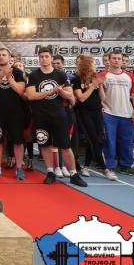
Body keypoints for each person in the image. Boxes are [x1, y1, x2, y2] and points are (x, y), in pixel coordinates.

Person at [25, 48, 87, 187]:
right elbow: (30, 95)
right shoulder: (34, 75)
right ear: (39, 58)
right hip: (40, 115)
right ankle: (50, 173)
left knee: (65, 145)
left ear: (51, 58)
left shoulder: (60, 75)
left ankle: (73, 174)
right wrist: (51, 91)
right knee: (45, 144)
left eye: (46, 56)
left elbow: (70, 95)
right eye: (41, 56)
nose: (44, 59)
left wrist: (62, 92)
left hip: (59, 115)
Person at [98, 51, 134, 180]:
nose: (116, 60)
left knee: (127, 142)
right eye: (114, 58)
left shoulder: (130, 76)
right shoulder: (102, 75)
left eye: (119, 58)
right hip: (108, 113)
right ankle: (109, 166)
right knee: (109, 141)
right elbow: (98, 95)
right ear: (109, 60)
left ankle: (126, 165)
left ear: (123, 60)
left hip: (127, 114)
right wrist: (100, 108)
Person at [0, 48, 27, 180]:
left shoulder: (18, 72)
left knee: (18, 141)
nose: (1, 57)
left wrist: (10, 79)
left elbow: (21, 91)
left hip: (15, 112)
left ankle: (19, 168)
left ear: (10, 58)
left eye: (4, 55)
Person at [71, 55, 105, 176]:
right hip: (84, 113)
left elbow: (103, 98)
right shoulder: (77, 79)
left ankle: (86, 166)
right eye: (94, 64)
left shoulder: (96, 77)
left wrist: (100, 85)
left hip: (97, 112)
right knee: (93, 139)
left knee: (98, 139)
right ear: (87, 66)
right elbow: (81, 99)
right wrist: (92, 87)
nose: (96, 66)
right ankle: (105, 169)